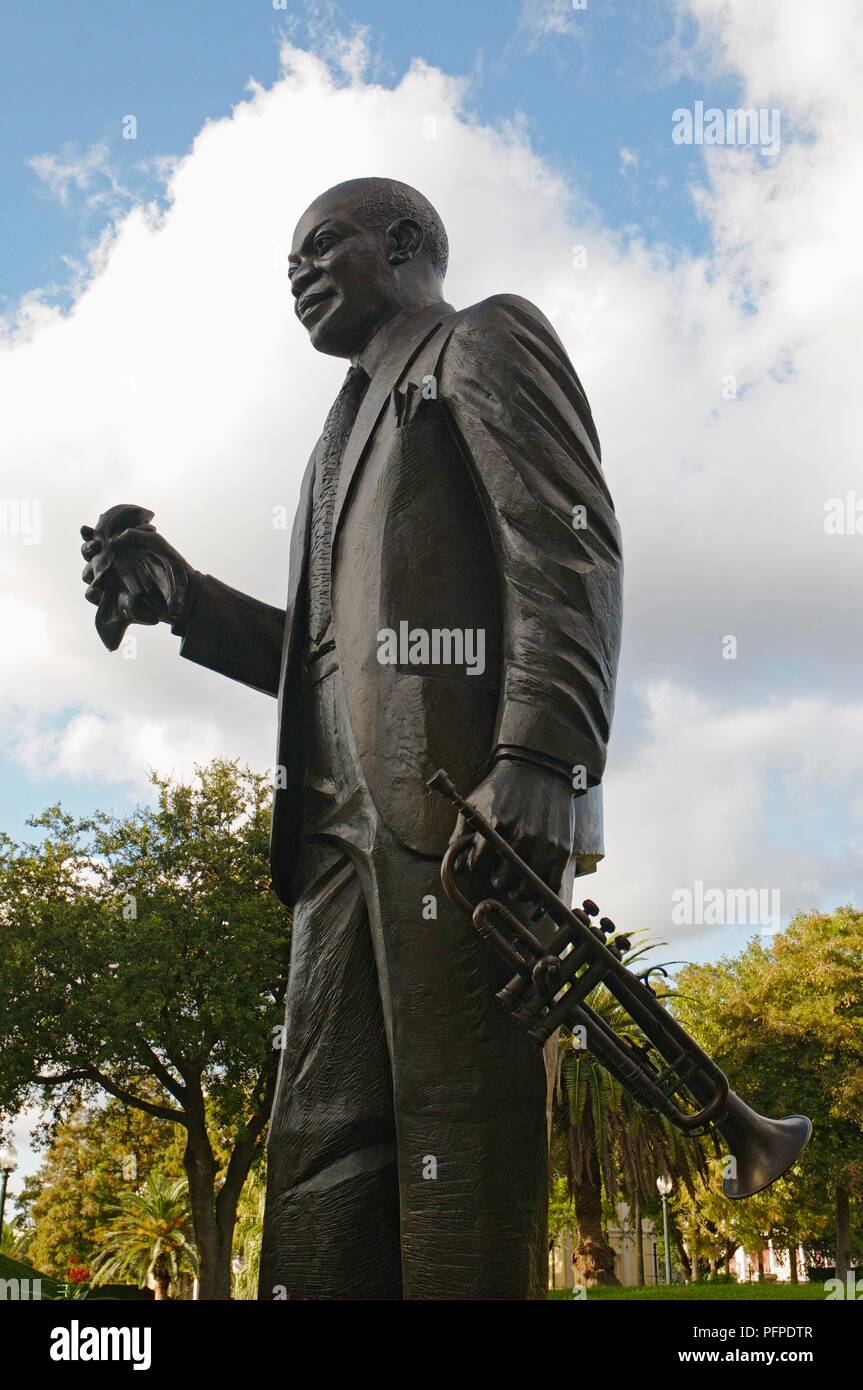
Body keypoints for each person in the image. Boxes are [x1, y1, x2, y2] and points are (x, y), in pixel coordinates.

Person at [81, 177, 623, 1299]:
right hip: (330, 832)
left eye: (321, 244)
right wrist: (183, 596)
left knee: (462, 1133)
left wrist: (541, 757)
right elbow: (323, 653)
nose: (297, 273)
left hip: (460, 815)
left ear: (408, 242)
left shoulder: (479, 343)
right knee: (318, 1139)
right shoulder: (330, 444)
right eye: (288, 259)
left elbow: (566, 547)